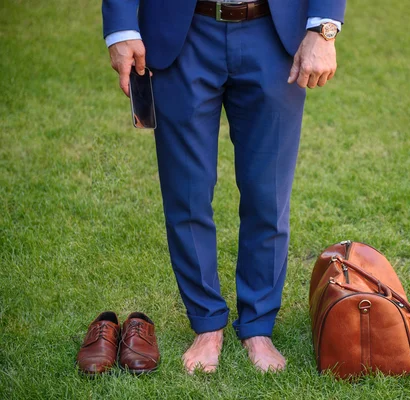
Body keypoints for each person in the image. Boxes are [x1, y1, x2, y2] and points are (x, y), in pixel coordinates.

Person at [102, 0, 346, 373]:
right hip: (182, 33)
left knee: (268, 194)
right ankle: (207, 324)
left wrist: (324, 27)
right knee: (186, 192)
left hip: (274, 35)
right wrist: (120, 27)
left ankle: (258, 326)